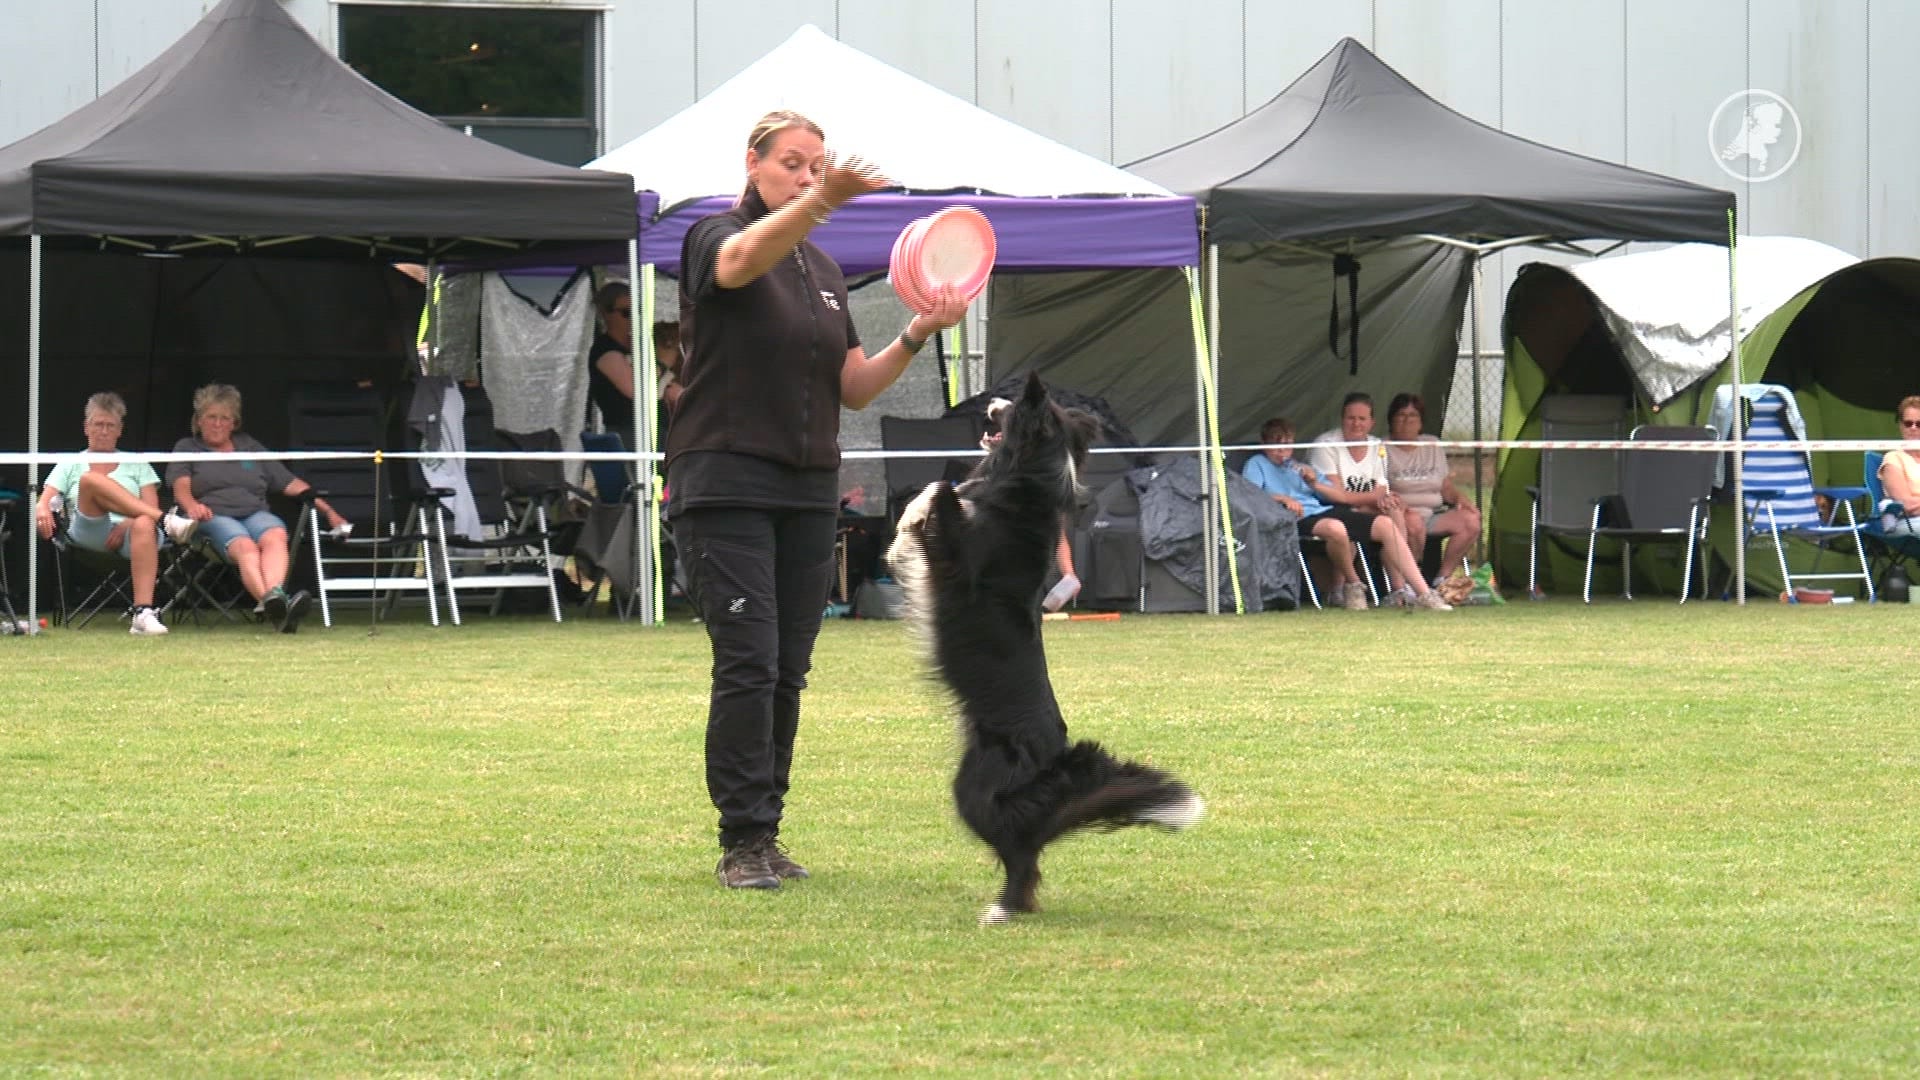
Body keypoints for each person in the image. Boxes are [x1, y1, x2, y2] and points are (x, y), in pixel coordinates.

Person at [669, 109, 969, 890]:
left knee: (787, 670)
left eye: (816, 166)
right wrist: (828, 198)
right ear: (753, 163)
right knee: (749, 662)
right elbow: (739, 262)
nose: (805, 177)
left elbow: (854, 386)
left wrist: (916, 333)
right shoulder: (714, 235)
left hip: (806, 491)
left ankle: (766, 834)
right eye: (792, 164)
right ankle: (741, 841)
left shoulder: (825, 270)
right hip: (725, 483)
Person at [166, 383, 349, 634]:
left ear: (234, 423)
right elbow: (181, 489)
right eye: (211, 417)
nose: (217, 424)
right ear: (198, 421)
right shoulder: (187, 447)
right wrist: (193, 507)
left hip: (253, 513)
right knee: (246, 547)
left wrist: (329, 512)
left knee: (276, 534)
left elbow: (290, 483)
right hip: (212, 516)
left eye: (224, 418)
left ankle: (275, 598)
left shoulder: (249, 446)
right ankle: (274, 604)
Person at [33, 392, 196, 635]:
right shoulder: (70, 462)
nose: (104, 431)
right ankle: (168, 522)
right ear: (86, 427)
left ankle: (143, 613)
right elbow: (44, 500)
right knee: (90, 480)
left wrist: (126, 524)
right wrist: (41, 509)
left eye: (110, 426)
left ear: (120, 430)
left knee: (144, 522)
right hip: (89, 529)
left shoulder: (137, 462)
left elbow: (150, 506)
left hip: (134, 533)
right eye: (98, 424)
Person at [1249, 416, 1448, 612]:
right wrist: (1282, 499)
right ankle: (1353, 585)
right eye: (1275, 445)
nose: (1282, 451)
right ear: (1264, 445)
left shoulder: (1298, 467)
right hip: (1293, 516)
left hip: (1322, 510)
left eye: (1287, 445)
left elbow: (1333, 495)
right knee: (1335, 528)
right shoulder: (1257, 463)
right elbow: (1249, 494)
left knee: (1386, 525)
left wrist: (1314, 483)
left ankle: (1423, 593)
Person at [1308, 392, 1450, 608]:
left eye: (1362, 419)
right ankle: (1345, 589)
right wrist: (1371, 498)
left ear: (1372, 422)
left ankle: (1398, 589)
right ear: (1342, 419)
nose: (1356, 424)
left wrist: (1380, 500)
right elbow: (1335, 494)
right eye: (1351, 418)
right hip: (1330, 509)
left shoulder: (1377, 445)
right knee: (1385, 518)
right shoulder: (1326, 444)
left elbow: (1381, 489)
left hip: (1362, 509)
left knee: (1395, 511)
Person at [1383, 392, 1482, 582]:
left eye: (1413, 415)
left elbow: (1445, 486)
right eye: (1401, 415)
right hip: (1401, 516)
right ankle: (1410, 582)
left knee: (1472, 520)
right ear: (1391, 420)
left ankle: (1442, 579)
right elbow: (1380, 489)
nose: (1407, 421)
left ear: (1421, 422)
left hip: (1433, 514)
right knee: (1414, 524)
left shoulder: (1432, 444)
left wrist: (1459, 498)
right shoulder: (1382, 447)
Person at [1878, 394, 1920, 536]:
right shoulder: (1893, 458)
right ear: (1901, 425)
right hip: (1906, 521)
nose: (1913, 428)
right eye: (1908, 423)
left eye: (1919, 424)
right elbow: (1906, 504)